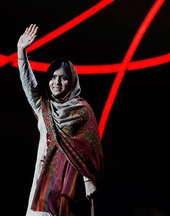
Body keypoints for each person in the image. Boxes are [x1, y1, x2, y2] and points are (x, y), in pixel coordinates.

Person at [17, 24, 104, 216]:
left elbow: (90, 151)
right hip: (42, 179)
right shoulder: (44, 107)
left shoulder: (82, 112)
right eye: (53, 77)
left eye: (63, 78)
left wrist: (88, 180)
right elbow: (28, 85)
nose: (57, 82)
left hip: (68, 185)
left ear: (72, 82)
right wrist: (21, 52)